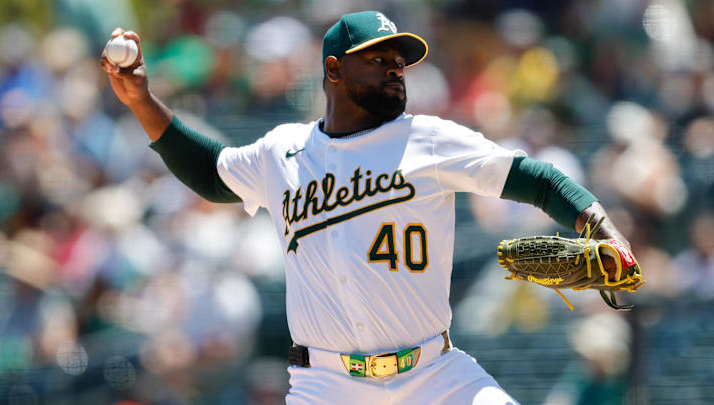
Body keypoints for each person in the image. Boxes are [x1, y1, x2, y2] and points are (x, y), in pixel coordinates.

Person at [101, 10, 630, 405]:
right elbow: (212, 175)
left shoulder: (427, 139)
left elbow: (533, 178)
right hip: (325, 384)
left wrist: (602, 226)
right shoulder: (282, 151)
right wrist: (141, 103)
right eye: (379, 60)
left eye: (400, 62)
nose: (396, 70)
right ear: (334, 69)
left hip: (435, 377)